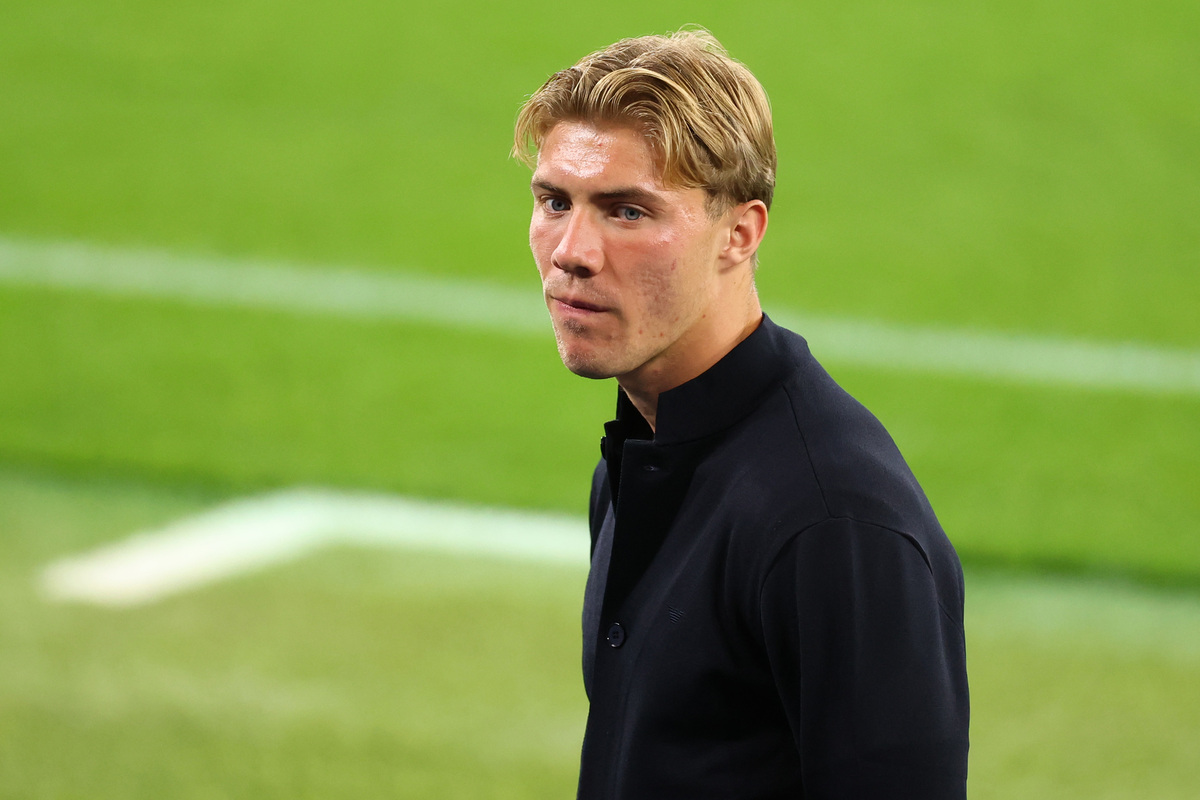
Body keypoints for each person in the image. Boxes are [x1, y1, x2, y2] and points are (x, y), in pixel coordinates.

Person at [512, 29, 969, 799]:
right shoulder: (645, 449)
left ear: (741, 233)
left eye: (627, 212)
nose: (572, 251)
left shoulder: (831, 521)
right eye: (555, 201)